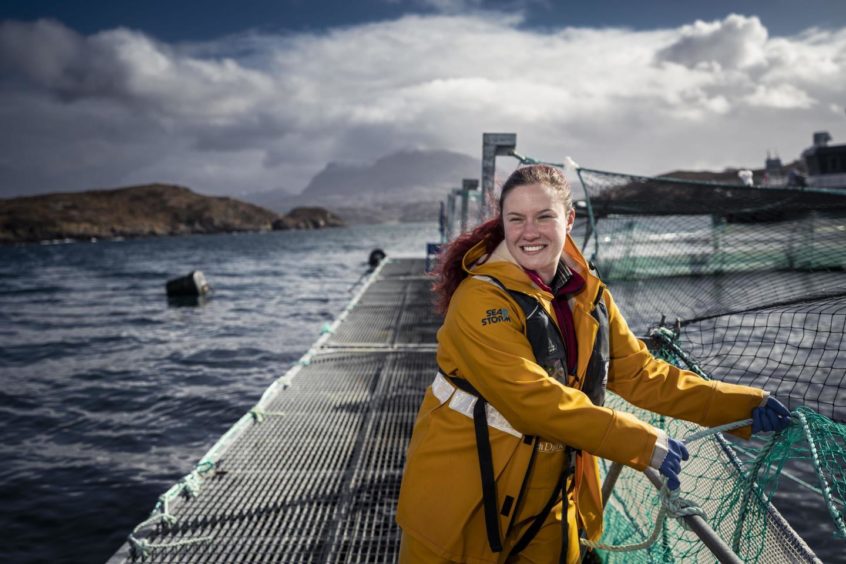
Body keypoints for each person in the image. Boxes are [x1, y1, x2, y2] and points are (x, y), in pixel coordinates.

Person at [396, 164, 790, 563]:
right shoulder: (480, 301)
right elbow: (533, 401)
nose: (529, 231)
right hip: (465, 505)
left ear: (569, 218)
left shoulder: (588, 295)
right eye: (516, 219)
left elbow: (640, 375)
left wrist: (741, 406)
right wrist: (641, 441)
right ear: (503, 223)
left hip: (551, 502)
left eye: (544, 216)